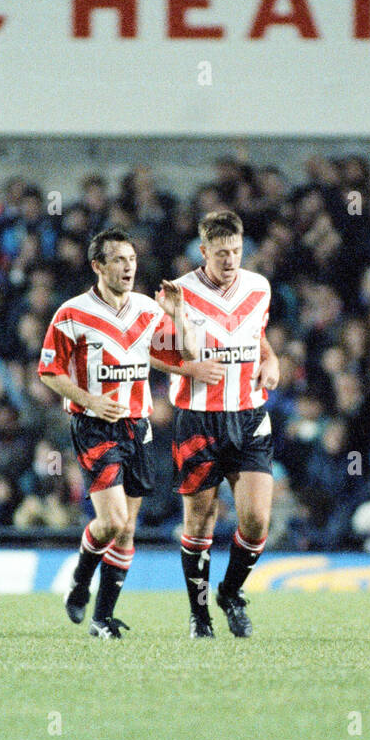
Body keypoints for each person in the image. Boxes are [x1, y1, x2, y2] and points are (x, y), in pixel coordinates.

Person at [37, 228, 218, 638]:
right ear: (97, 266)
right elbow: (49, 371)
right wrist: (90, 399)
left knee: (127, 528)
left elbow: (188, 354)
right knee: (113, 520)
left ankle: (101, 618)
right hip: (95, 425)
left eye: (131, 259)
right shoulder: (71, 313)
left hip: (138, 426)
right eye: (118, 260)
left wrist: (175, 314)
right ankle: (82, 578)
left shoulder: (146, 309)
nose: (128, 267)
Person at [169, 210, 280, 638]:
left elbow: (260, 339)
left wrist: (272, 361)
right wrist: (190, 368)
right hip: (199, 420)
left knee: (255, 520)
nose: (230, 259)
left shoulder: (258, 286)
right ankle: (199, 618)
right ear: (203, 251)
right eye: (220, 253)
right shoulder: (180, 292)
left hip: (250, 416)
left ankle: (230, 593)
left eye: (235, 251)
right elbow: (157, 352)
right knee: (200, 521)